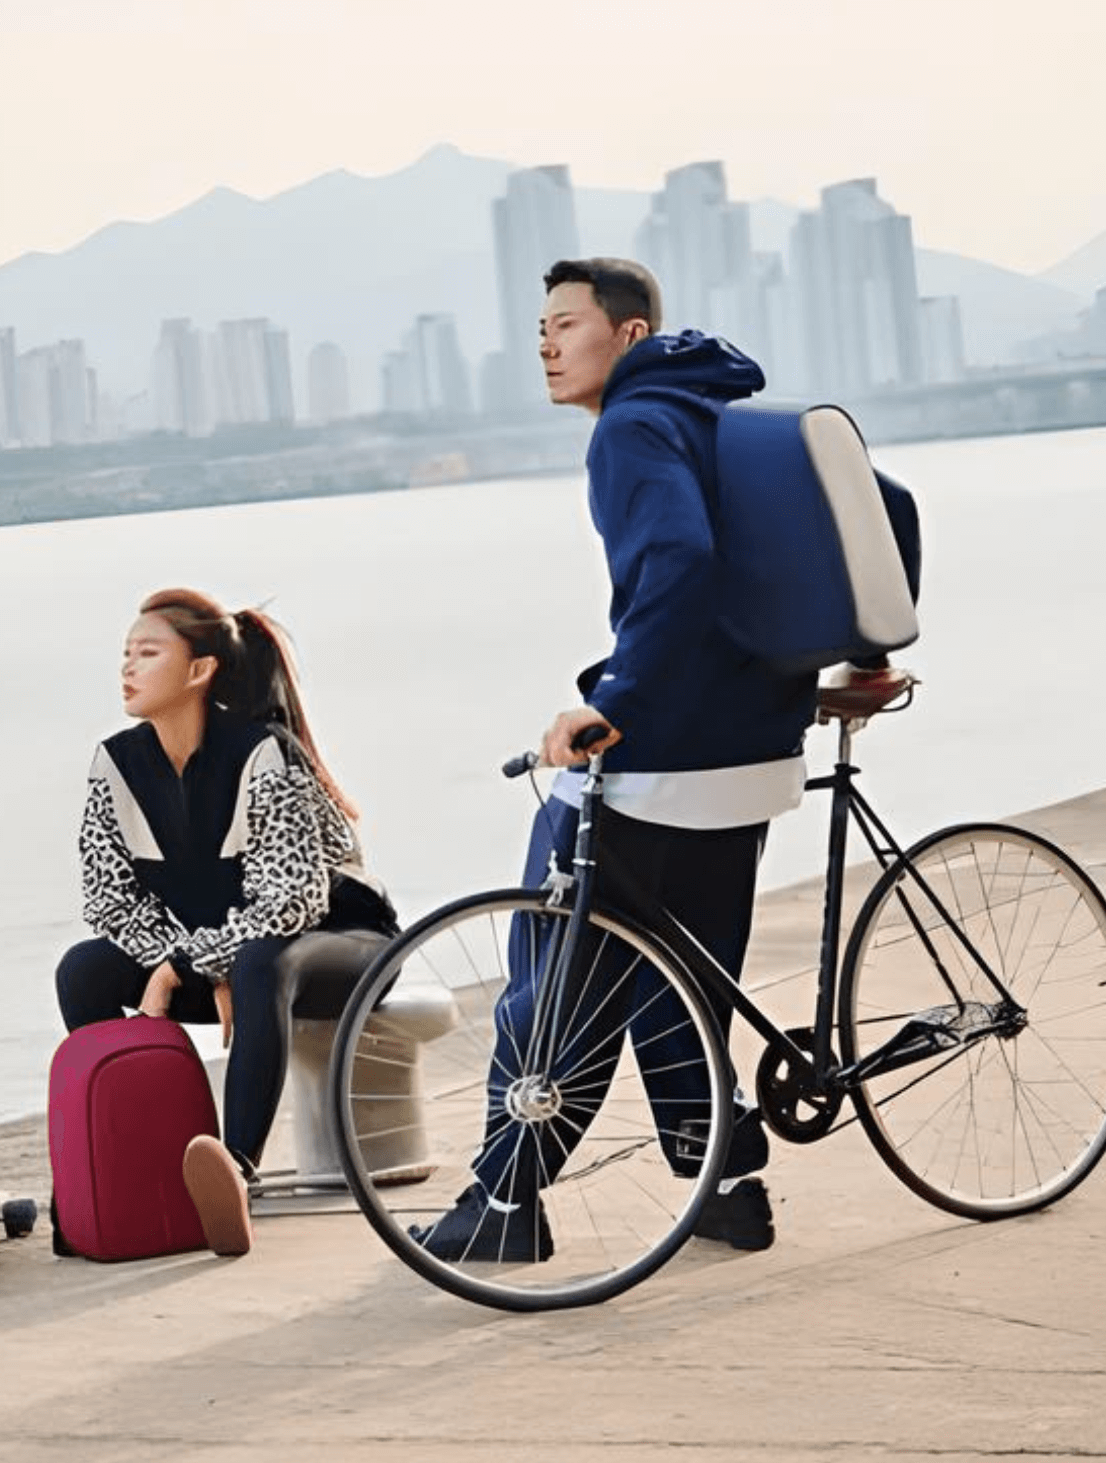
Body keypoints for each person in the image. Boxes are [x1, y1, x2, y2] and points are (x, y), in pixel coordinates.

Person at [414, 257, 820, 1262]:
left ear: (628, 337)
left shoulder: (632, 427)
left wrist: (610, 703)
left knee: (559, 976)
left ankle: (505, 1206)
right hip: (753, 754)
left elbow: (679, 566)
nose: (545, 346)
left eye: (566, 324)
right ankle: (725, 1183)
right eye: (540, 328)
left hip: (667, 759)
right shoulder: (725, 415)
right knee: (680, 974)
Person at [56, 588, 397, 1257]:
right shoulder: (117, 766)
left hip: (345, 952)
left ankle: (235, 1172)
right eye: (124, 654)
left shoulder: (265, 754)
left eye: (147, 653)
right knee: (84, 968)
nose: (127, 668)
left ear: (199, 670)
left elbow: (291, 903)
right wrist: (178, 963)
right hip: (237, 964)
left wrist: (188, 967)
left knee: (264, 959)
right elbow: (108, 900)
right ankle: (142, 1160)